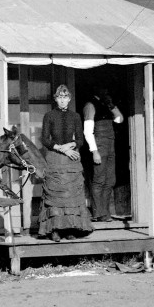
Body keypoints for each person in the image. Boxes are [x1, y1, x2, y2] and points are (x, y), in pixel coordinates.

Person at [39, 85, 94, 241]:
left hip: (71, 160)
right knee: (56, 195)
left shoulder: (75, 116)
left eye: (65, 97)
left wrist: (71, 145)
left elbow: (80, 139)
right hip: (55, 158)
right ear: (56, 99)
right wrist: (62, 149)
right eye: (59, 97)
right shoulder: (49, 116)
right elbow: (45, 139)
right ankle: (55, 230)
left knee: (70, 195)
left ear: (69, 99)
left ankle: (70, 228)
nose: (62, 100)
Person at [83, 86, 124, 222]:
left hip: (110, 145)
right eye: (104, 89)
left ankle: (105, 212)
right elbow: (88, 131)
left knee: (110, 180)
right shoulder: (90, 105)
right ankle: (98, 213)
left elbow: (120, 119)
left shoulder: (107, 104)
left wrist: (111, 105)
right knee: (99, 180)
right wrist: (95, 151)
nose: (106, 91)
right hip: (99, 145)